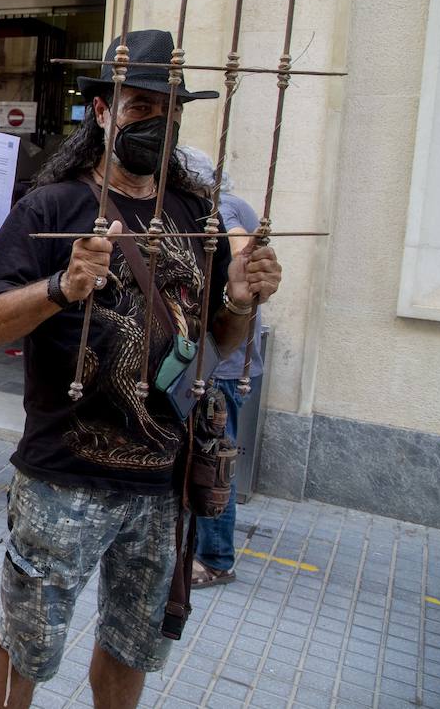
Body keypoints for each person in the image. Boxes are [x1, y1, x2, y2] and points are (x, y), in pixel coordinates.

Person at [0, 30, 283, 709]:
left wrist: (240, 299)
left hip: (160, 483)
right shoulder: (50, 208)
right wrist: (62, 287)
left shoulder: (195, 213)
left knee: (134, 643)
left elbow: (214, 346)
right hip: (64, 479)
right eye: (139, 107)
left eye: (168, 110)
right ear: (102, 112)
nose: (156, 123)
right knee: (30, 641)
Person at [179, 145, 265, 590]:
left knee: (215, 461)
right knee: (210, 456)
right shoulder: (238, 203)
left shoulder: (224, 208)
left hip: (225, 365)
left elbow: (240, 250)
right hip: (226, 360)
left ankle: (216, 558)